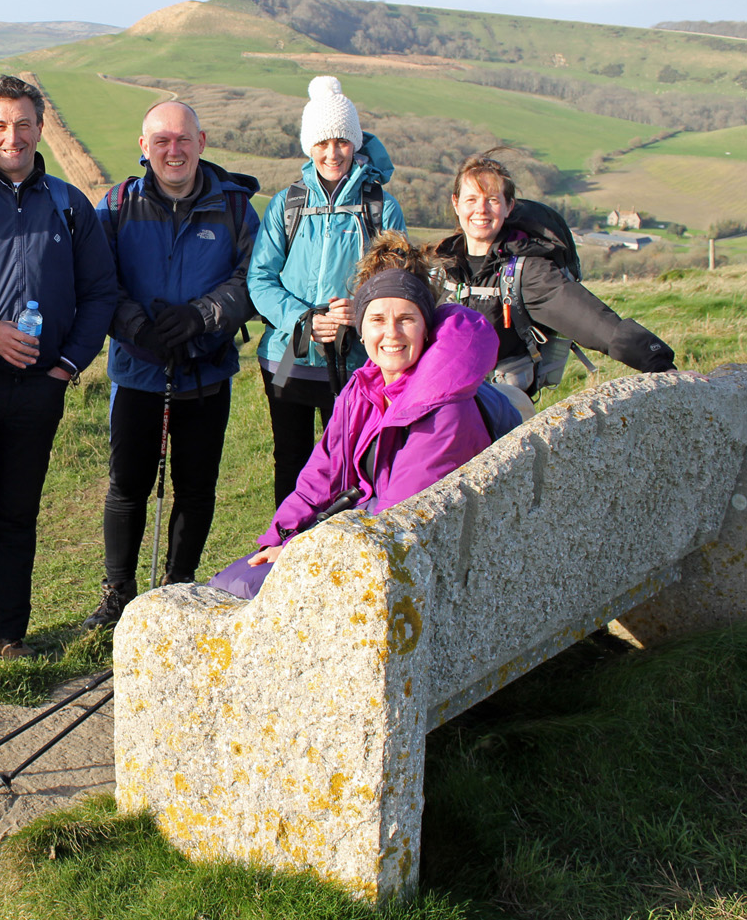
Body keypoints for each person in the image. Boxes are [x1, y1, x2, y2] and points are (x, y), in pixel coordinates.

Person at [0, 74, 118, 672]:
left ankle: (7, 634)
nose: (14, 136)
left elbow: (100, 292)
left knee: (17, 515)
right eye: (1, 125)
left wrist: (66, 366)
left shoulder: (69, 205)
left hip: (41, 388)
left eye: (25, 124)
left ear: (40, 129)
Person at [212, 233, 495, 599]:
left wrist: (299, 554)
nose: (390, 334)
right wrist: (280, 537)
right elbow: (323, 474)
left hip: (408, 557)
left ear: (426, 328)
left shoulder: (444, 408)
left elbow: (399, 518)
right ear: (360, 329)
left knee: (254, 595)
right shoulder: (364, 388)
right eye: (377, 319)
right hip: (359, 529)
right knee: (229, 583)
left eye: (406, 319)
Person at [83, 100, 260, 628]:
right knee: (127, 484)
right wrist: (137, 328)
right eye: (161, 141)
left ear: (201, 142)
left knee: (196, 485)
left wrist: (203, 316)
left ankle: (178, 586)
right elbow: (99, 281)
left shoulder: (234, 208)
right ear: (144, 148)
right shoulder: (115, 208)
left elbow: (254, 277)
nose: (173, 150)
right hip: (137, 372)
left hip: (206, 372)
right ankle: (118, 594)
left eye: (183, 139)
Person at [248, 76, 407, 506]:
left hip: (354, 358)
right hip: (286, 356)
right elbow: (259, 278)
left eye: (341, 141)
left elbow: (397, 284)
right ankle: (285, 547)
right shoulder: (287, 204)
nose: (332, 153)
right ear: (308, 146)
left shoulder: (381, 207)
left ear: (354, 142)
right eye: (322, 143)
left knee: (350, 461)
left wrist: (364, 311)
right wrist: (304, 318)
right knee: (290, 459)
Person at [433, 153, 675, 392]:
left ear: (509, 207)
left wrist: (659, 364)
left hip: (499, 410)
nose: (481, 209)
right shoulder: (439, 268)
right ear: (456, 203)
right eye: (471, 199)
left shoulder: (527, 273)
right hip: (436, 399)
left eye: (492, 200)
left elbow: (594, 322)